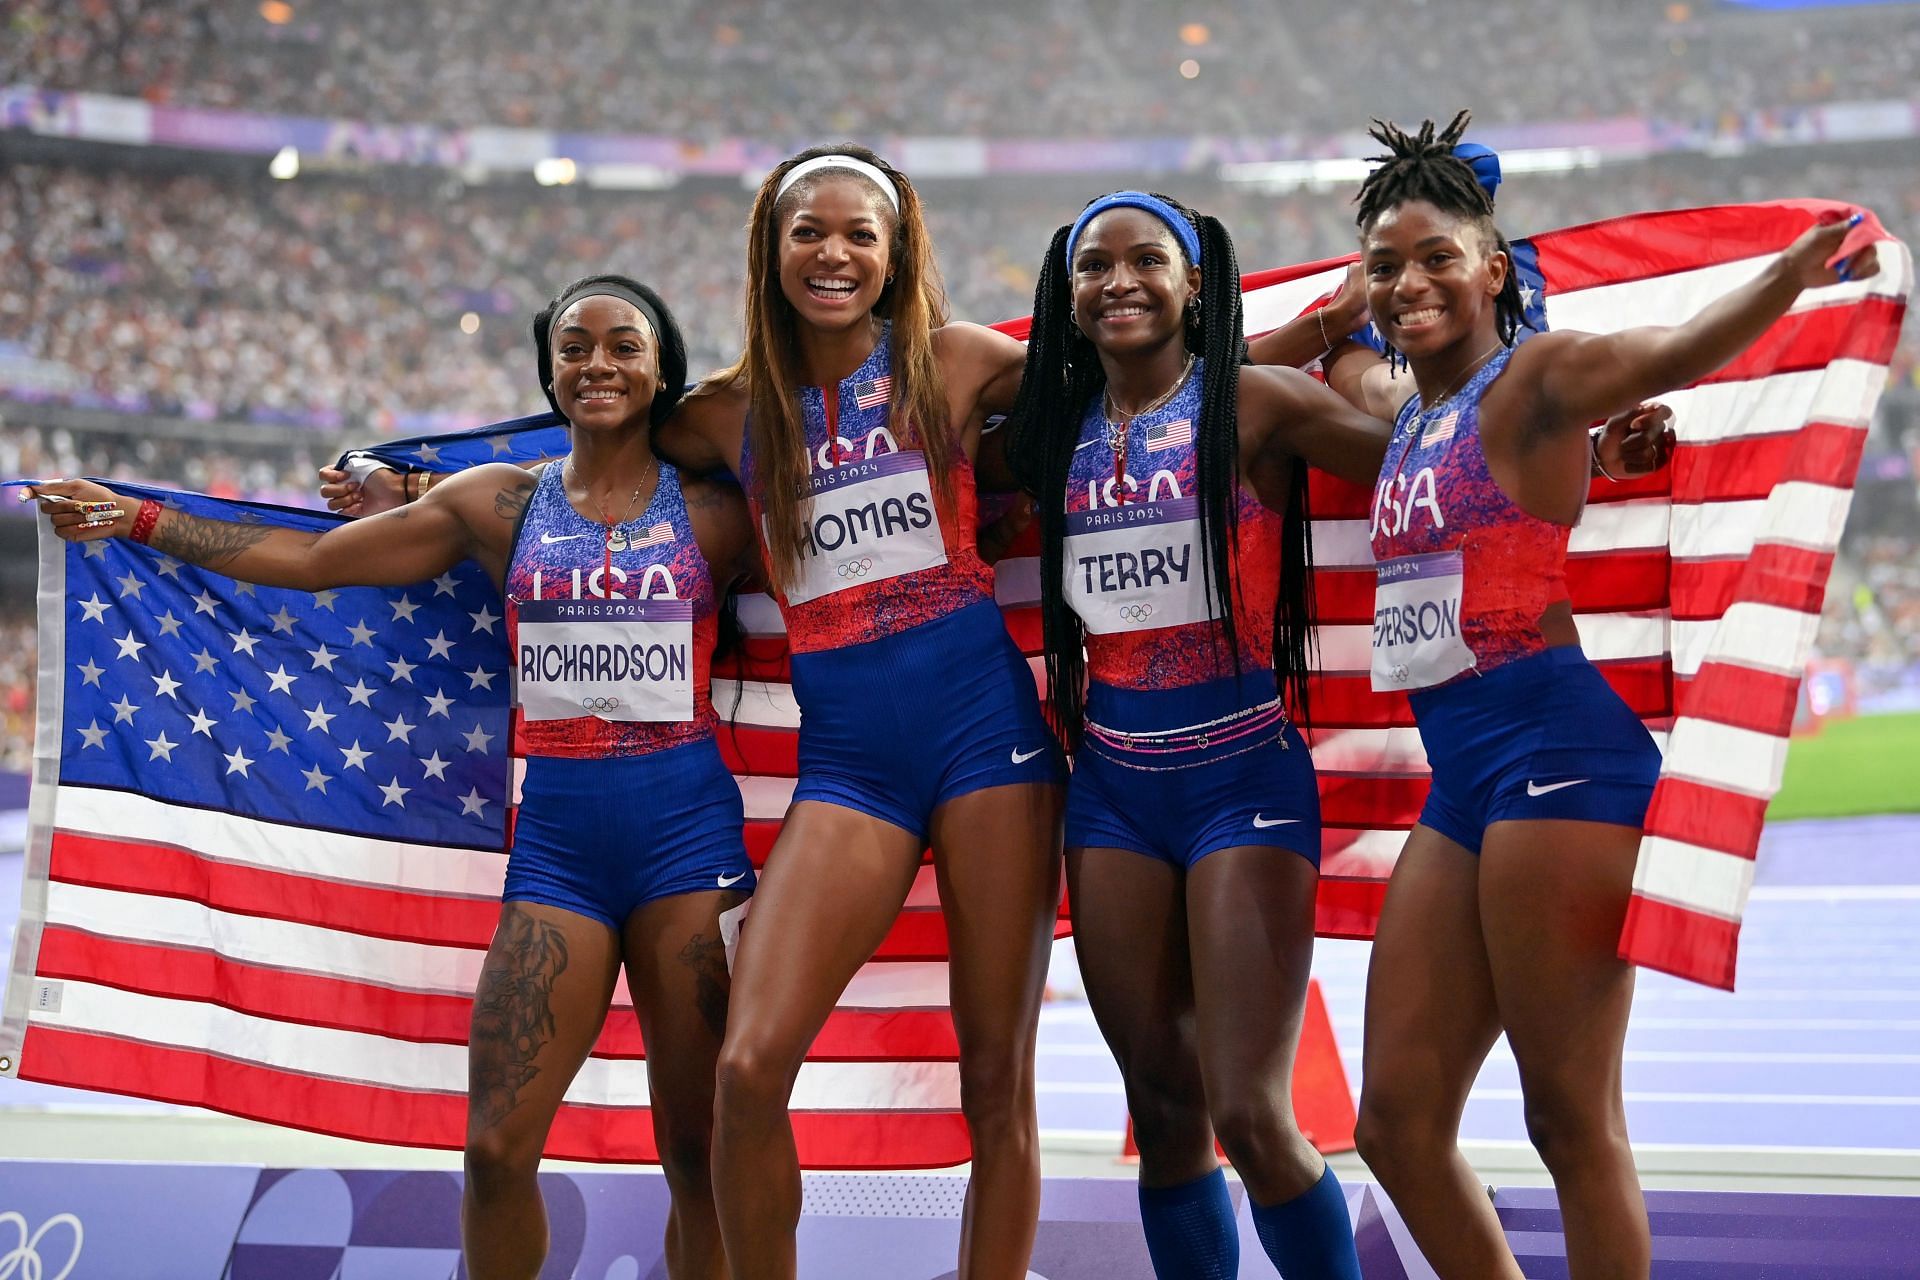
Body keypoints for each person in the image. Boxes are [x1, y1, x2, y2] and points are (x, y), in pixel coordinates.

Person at [30, 274, 759, 1280]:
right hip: (559, 856)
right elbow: (320, 557)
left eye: (623, 344)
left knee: (698, 1151)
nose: (598, 363)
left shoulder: (720, 514)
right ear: (548, 371)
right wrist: (138, 517)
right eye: (575, 346)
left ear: (662, 366)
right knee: (497, 1150)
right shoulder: (500, 505)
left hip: (689, 846)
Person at [1321, 113, 1878, 1280]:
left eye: (1435, 257)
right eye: (1384, 264)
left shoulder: (1536, 377)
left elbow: (1671, 350)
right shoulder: (1401, 406)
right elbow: (1321, 364)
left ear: (1491, 268)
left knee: (1568, 1118)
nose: (1408, 283)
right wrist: (1335, 308)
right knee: (1395, 1124)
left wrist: (1789, 272)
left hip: (1562, 758)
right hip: (1464, 776)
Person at [1003, 190, 1387, 1280]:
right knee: (1165, 1109)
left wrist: (1587, 445)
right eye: (1094, 266)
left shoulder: (1256, 405)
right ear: (1067, 296)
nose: (1118, 280)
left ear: (1195, 283)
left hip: (1244, 781)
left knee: (1251, 1112)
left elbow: (1423, 458)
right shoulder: (1049, 436)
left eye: (1147, 260)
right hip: (1113, 789)